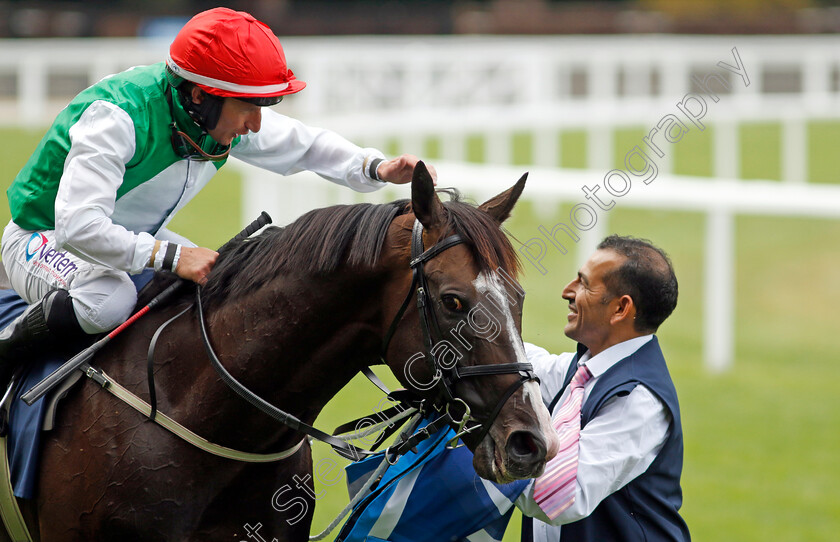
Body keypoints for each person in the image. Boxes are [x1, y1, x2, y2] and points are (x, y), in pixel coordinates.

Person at [0, 7, 431, 386]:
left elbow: (303, 144)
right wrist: (170, 257)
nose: (256, 125)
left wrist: (375, 167)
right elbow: (79, 228)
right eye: (250, 108)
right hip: (45, 237)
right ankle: (5, 356)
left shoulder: (209, 112)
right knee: (107, 301)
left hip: (125, 235)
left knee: (224, 290)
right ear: (201, 94)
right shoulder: (116, 118)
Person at [337, 234, 689, 542]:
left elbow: (558, 496)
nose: (567, 291)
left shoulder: (639, 400)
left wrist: (488, 449)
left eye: (583, 284)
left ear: (620, 308)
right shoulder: (581, 370)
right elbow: (507, 362)